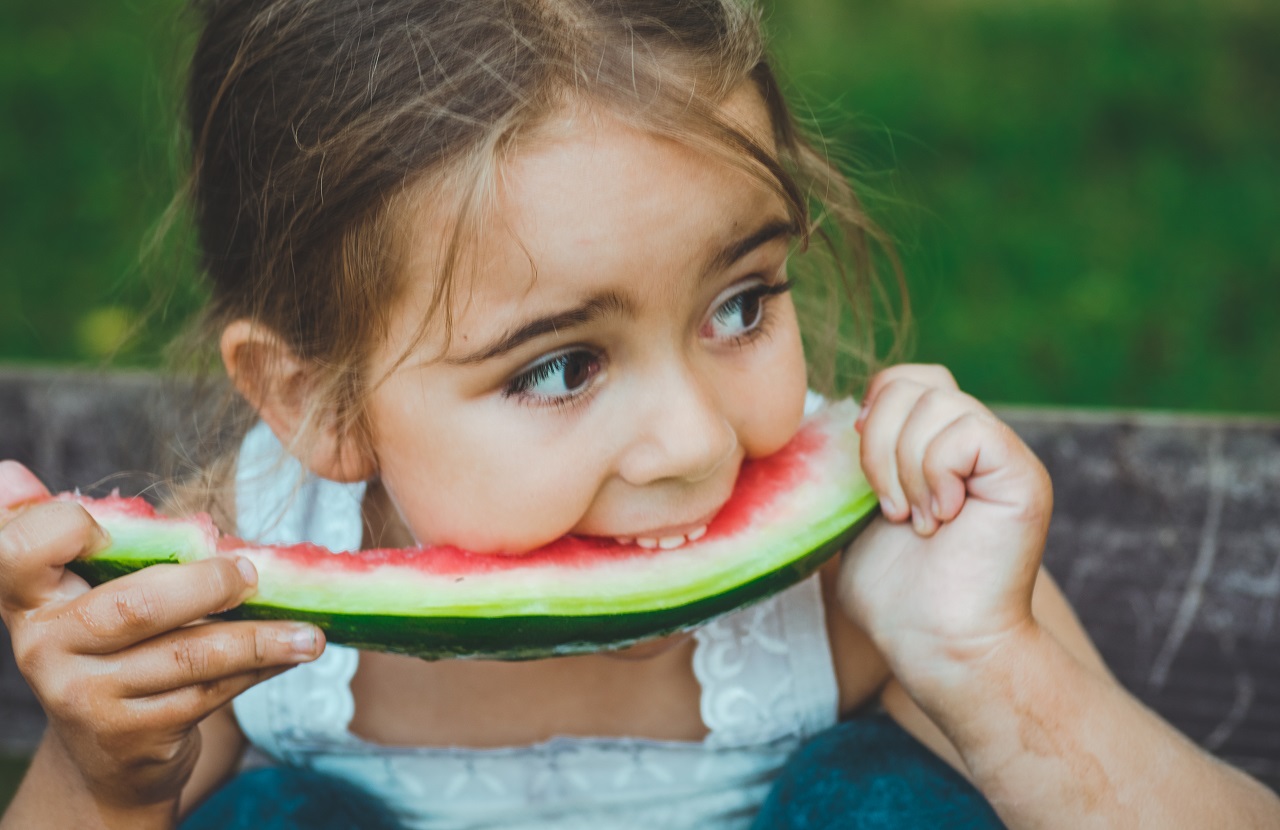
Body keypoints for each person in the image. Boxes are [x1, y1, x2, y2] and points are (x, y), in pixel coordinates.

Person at [1, 1, 1277, 828]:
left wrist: (993, 666)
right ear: (311, 399)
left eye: (738, 303)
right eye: (558, 368)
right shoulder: (235, 622)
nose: (700, 445)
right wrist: (102, 773)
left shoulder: (871, 565)